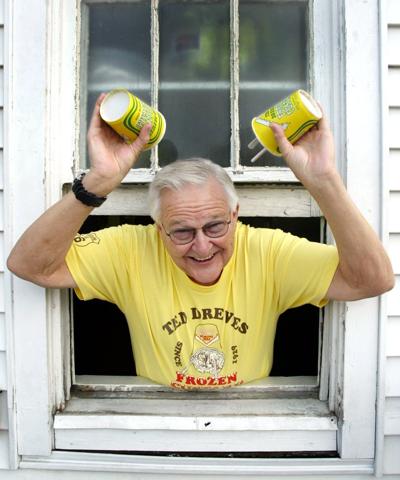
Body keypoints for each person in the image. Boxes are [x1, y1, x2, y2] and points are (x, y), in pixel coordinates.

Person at [7, 94, 394, 389]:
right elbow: (30, 265)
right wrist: (98, 183)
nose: (203, 247)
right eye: (181, 232)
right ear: (158, 230)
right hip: (156, 434)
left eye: (215, 227)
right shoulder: (130, 249)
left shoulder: (267, 251)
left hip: (251, 434)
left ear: (236, 215)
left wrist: (324, 183)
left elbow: (371, 280)